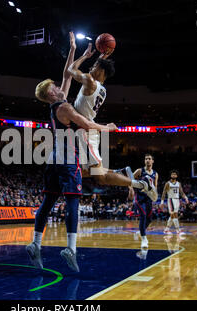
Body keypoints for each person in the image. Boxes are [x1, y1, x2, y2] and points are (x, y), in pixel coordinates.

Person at [26, 32, 118, 272]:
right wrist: (106, 128)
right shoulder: (65, 107)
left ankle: (35, 244)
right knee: (73, 201)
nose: (59, 86)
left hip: (53, 160)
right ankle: (71, 248)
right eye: (55, 87)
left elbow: (67, 74)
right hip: (67, 159)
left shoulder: (58, 104)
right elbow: (87, 124)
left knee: (47, 202)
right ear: (50, 94)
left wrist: (75, 50)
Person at [67, 42, 157, 201]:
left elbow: (70, 69)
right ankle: (123, 173)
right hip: (85, 131)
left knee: (99, 177)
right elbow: (99, 70)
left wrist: (85, 56)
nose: (91, 67)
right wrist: (101, 59)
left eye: (94, 65)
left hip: (85, 132)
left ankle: (142, 185)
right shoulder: (102, 89)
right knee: (84, 171)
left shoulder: (88, 80)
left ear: (100, 70)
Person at [133, 154, 159, 249]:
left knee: (149, 219)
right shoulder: (140, 171)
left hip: (149, 198)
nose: (147, 160)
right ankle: (144, 239)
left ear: (153, 161)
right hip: (139, 197)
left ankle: (140, 232)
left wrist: (155, 198)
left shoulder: (155, 174)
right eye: (146, 159)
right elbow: (130, 180)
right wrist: (131, 190)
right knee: (143, 216)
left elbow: (155, 187)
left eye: (149, 159)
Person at [161, 170, 188, 236]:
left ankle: (166, 230)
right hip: (171, 200)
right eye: (172, 174)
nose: (173, 175)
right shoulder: (167, 183)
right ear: (170, 175)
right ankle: (178, 230)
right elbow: (164, 193)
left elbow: (181, 192)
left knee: (172, 216)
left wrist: (186, 197)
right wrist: (162, 202)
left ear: (177, 176)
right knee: (175, 215)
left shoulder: (179, 183)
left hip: (177, 200)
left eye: (174, 174)